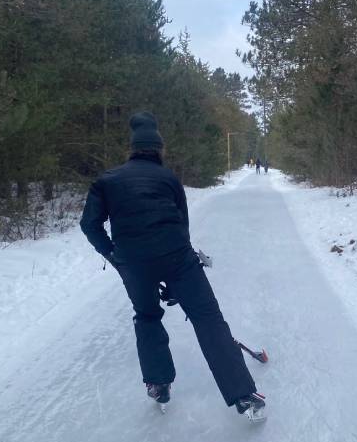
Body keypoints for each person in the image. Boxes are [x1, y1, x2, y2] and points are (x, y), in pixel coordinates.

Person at [79, 111, 266, 421]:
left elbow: (89, 224)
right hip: (178, 259)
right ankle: (243, 394)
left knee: (147, 316)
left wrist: (114, 255)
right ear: (159, 148)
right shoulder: (168, 178)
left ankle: (158, 384)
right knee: (207, 318)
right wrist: (178, 275)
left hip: (134, 264)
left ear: (132, 148)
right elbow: (182, 225)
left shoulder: (106, 181)